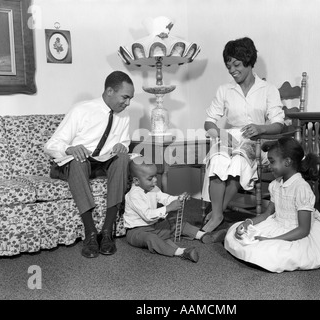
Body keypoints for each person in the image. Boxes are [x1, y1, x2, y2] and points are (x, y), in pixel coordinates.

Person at [44, 71, 134, 258]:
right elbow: (51, 145)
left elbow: (124, 142)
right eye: (125, 97)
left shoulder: (124, 116)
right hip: (75, 164)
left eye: (130, 99)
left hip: (100, 162)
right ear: (110, 91)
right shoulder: (81, 110)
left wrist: (121, 146)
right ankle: (90, 233)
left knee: (122, 158)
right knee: (79, 160)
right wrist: (70, 149)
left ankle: (107, 232)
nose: (128, 103)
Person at [201, 37, 285, 232]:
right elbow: (208, 121)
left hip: (257, 141)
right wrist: (220, 134)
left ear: (249, 61)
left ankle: (216, 213)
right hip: (228, 138)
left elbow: (278, 125)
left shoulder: (268, 90)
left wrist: (261, 128)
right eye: (228, 66)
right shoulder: (225, 90)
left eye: (236, 64)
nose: (232, 70)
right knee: (218, 161)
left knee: (238, 163)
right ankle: (218, 214)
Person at [224, 137, 320, 273]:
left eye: (272, 162)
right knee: (237, 233)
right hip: (277, 224)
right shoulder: (276, 184)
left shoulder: (301, 188)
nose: (269, 166)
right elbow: (266, 214)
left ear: (287, 162)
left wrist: (273, 240)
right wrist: (248, 222)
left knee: (270, 252)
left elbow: (303, 230)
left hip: (296, 232)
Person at [123, 156, 227, 263]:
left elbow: (165, 198)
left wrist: (179, 198)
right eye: (150, 178)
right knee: (151, 239)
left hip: (153, 226)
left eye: (155, 176)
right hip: (136, 232)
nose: (155, 180)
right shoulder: (134, 195)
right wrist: (168, 208)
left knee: (175, 223)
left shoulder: (153, 188)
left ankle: (204, 235)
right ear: (136, 181)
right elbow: (147, 215)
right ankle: (181, 252)